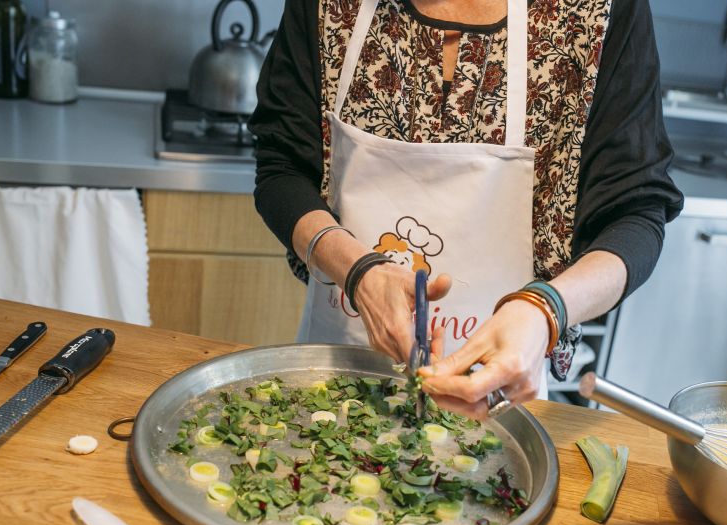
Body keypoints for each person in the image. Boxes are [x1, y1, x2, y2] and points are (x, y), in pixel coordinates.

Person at [249, 0, 683, 419]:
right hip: (332, 385)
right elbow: (282, 169)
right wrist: (358, 271)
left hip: (498, 407)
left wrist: (544, 310)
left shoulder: (597, 9)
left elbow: (636, 214)